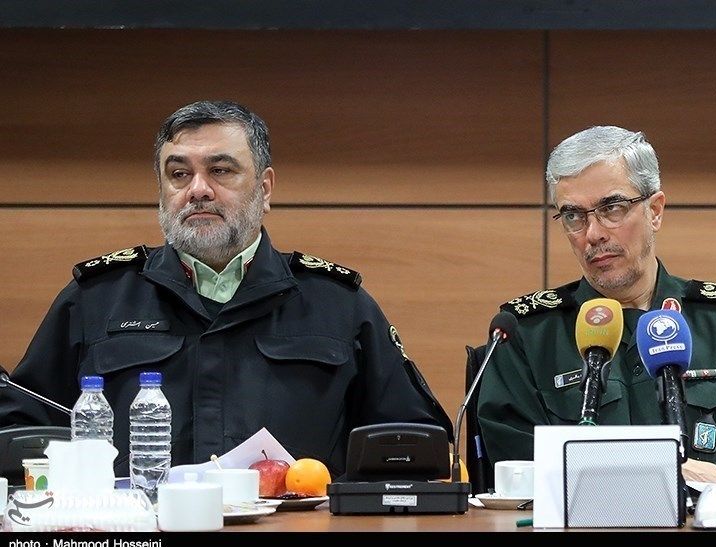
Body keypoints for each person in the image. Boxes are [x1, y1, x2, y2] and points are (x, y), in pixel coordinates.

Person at [0, 100, 452, 478]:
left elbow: (411, 443)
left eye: (220, 170)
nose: (198, 190)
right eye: (179, 174)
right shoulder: (97, 299)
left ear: (265, 188)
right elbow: (22, 431)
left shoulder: (337, 304)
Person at [477, 125, 716, 483]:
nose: (593, 234)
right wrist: (665, 471)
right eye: (573, 216)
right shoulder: (526, 334)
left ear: (655, 211)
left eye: (612, 208)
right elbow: (517, 465)